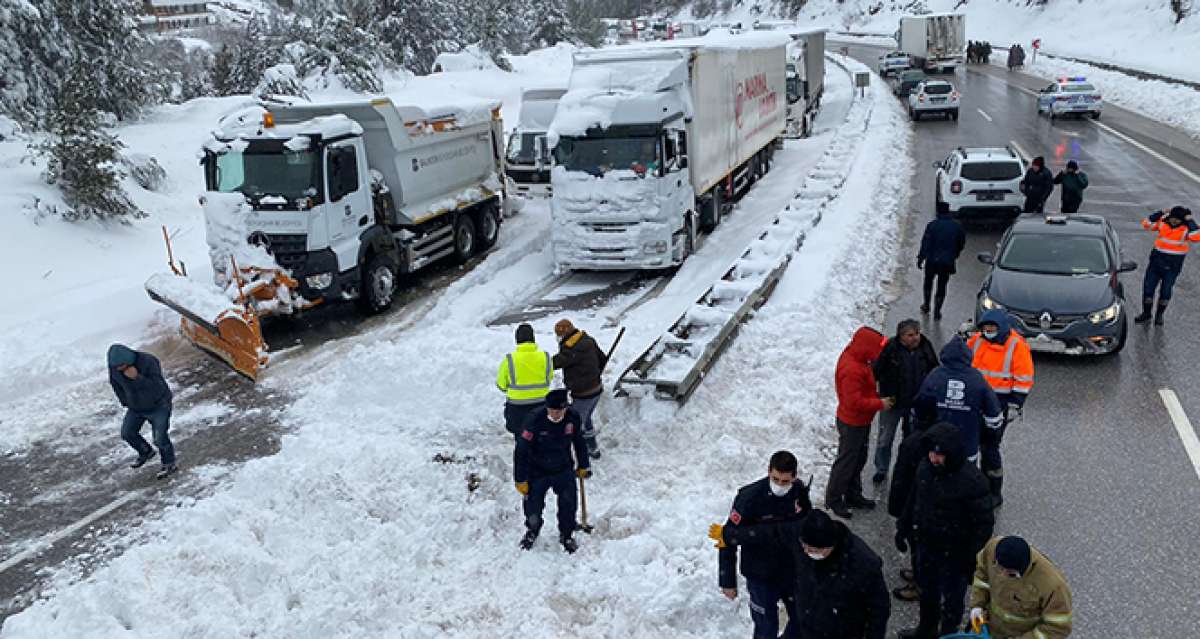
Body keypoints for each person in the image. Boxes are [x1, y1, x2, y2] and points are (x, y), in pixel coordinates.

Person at [719, 509, 890, 639]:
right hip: (805, 624)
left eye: (815, 550)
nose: (808, 553)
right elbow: (771, 532)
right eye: (805, 547)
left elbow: (879, 609)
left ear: (832, 545)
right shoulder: (800, 535)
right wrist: (732, 535)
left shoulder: (863, 563)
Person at [896, 423, 995, 639]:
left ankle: (948, 633)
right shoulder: (925, 468)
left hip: (956, 553)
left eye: (939, 454)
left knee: (952, 599)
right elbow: (915, 499)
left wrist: (973, 557)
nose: (934, 458)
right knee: (927, 592)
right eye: (931, 453)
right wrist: (903, 527)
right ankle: (926, 629)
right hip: (927, 546)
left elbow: (983, 524)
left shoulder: (973, 481)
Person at [710, 451, 813, 639]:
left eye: (785, 481)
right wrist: (727, 580)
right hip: (760, 575)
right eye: (775, 479)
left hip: (792, 571)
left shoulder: (799, 493)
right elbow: (728, 537)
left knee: (804, 619)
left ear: (794, 477)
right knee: (766, 628)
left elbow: (807, 530)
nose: (780, 485)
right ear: (768, 472)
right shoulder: (749, 498)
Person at [967, 309, 1034, 508]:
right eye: (985, 328)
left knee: (989, 448)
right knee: (972, 445)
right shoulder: (978, 340)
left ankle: (994, 490)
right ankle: (975, 487)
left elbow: (1024, 377)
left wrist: (1016, 404)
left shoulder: (1016, 346)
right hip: (976, 400)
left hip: (999, 403)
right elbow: (961, 355)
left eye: (992, 328)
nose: (988, 331)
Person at [826, 326, 893, 519]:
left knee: (858, 458)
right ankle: (834, 498)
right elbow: (853, 402)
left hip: (859, 421)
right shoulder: (852, 369)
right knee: (847, 461)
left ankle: (852, 494)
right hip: (852, 422)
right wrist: (879, 403)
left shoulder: (859, 359)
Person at [513, 389, 591, 553]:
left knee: (568, 504)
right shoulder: (534, 420)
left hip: (563, 468)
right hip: (537, 471)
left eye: (560, 410)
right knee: (533, 507)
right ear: (547, 408)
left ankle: (567, 534)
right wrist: (520, 479)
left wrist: (583, 464)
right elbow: (521, 450)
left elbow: (579, 441)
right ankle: (532, 530)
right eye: (552, 410)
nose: (556, 414)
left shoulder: (572, 418)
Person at [911, 337, 1003, 464]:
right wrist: (990, 434)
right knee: (965, 480)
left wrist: (920, 425)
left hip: (938, 444)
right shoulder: (976, 378)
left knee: (936, 479)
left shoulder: (935, 376)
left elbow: (920, 407)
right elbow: (993, 414)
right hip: (967, 443)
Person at [871, 320, 938, 484]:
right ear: (901, 337)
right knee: (885, 438)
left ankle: (906, 468)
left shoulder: (925, 346)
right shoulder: (890, 349)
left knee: (911, 439)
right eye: (910, 335)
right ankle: (882, 468)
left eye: (917, 333)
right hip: (892, 402)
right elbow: (876, 371)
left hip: (915, 404)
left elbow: (935, 369)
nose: (915, 338)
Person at [969, 536, 1074, 639]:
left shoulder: (1053, 585)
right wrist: (977, 605)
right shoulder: (991, 550)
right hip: (989, 629)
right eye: (999, 569)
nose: (1002, 575)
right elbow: (982, 576)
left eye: (1010, 574)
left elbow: (1058, 627)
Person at [107, 344, 177, 479]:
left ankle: (169, 463)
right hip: (136, 407)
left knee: (160, 438)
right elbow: (115, 385)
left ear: (128, 361)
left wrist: (137, 378)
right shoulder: (115, 367)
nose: (117, 370)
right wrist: (125, 402)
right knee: (127, 433)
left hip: (159, 405)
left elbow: (157, 386)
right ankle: (145, 452)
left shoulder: (149, 361)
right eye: (115, 367)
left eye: (120, 366)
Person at [1134, 206, 1200, 325]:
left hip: (1173, 266)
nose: (1174, 221)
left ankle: (1159, 315)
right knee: (1148, 289)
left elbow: (1196, 237)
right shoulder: (1162, 223)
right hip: (1156, 263)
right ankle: (1146, 313)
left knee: (1165, 292)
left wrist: (1190, 220)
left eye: (1178, 219)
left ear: (1182, 220)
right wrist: (1160, 212)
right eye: (1173, 218)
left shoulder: (1186, 229)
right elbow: (1146, 223)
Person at [552, 319, 608, 458]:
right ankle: (592, 448)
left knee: (574, 425)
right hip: (596, 389)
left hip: (584, 394)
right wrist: (592, 374)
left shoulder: (570, 349)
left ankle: (575, 458)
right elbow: (603, 359)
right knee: (585, 418)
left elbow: (555, 363)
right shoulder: (588, 340)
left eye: (558, 335)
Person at [497, 323, 552, 437]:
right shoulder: (545, 357)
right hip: (542, 405)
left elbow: (501, 385)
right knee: (540, 436)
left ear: (517, 339)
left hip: (517, 409)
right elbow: (549, 378)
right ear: (533, 338)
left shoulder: (510, 360)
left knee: (521, 438)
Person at [917, 207, 966, 320]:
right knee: (942, 286)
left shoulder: (932, 225)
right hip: (947, 262)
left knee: (928, 282)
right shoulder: (956, 227)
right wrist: (955, 254)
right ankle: (937, 311)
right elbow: (961, 243)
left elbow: (925, 243)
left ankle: (926, 305)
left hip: (932, 261)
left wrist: (921, 258)